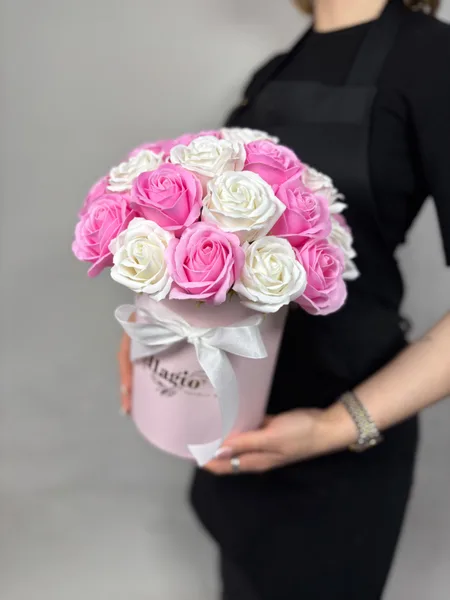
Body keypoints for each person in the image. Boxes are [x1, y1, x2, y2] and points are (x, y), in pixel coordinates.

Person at [118, 0, 450, 597]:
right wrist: (155, 325)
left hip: (337, 445)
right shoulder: (275, 72)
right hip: (237, 433)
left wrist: (334, 426)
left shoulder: (434, 59)